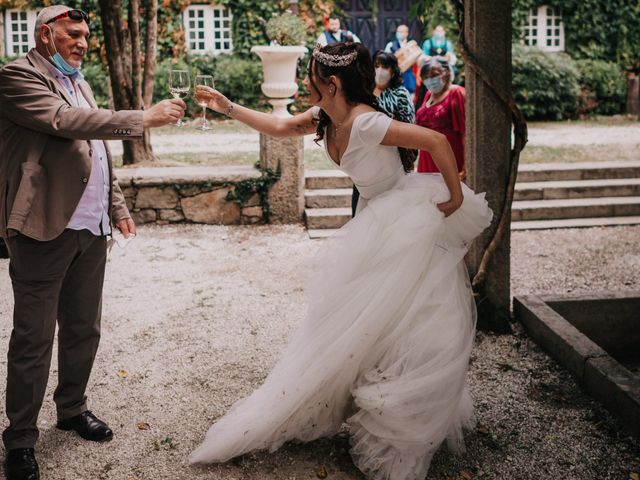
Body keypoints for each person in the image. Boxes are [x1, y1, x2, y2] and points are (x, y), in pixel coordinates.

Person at [190, 42, 492, 480]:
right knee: (366, 317)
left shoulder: (368, 123)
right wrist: (226, 106)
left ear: (331, 84)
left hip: (403, 219)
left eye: (310, 77)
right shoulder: (324, 117)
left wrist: (455, 195)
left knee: (410, 319)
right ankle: (363, 395)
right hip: (373, 219)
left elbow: (437, 141)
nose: (303, 83)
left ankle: (400, 416)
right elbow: (278, 126)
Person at [0, 5, 185, 480]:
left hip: (91, 227)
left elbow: (97, 152)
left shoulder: (78, 79)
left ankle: (72, 409)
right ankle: (20, 439)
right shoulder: (15, 77)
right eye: (73, 34)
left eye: (85, 36)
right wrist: (143, 118)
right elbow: (67, 124)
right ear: (46, 34)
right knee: (33, 339)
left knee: (84, 329)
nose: (82, 43)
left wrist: (117, 208)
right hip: (43, 227)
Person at [349, 50, 416, 216]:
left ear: (392, 71)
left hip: (389, 162)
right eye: (376, 66)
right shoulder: (362, 93)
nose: (380, 70)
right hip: (363, 162)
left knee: (388, 216)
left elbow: (408, 126)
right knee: (361, 215)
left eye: (385, 66)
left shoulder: (400, 94)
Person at [416, 60, 466, 178]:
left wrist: (466, 164)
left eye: (434, 75)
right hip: (427, 156)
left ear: (445, 73)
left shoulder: (457, 92)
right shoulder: (429, 94)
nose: (430, 80)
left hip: (448, 155)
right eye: (426, 77)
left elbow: (466, 131)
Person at [384, 24, 417, 94]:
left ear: (407, 33)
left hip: (408, 75)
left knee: (410, 95)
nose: (399, 34)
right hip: (395, 74)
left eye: (402, 32)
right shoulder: (391, 45)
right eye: (398, 32)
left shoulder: (411, 45)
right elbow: (385, 60)